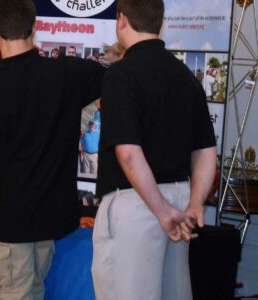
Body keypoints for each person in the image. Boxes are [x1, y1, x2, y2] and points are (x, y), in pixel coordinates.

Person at [0, 0, 104, 298]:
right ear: (35, 26)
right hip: (48, 224)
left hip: (9, 226)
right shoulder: (67, 74)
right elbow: (113, 79)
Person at [91, 0, 217, 299]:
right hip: (179, 201)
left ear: (122, 20)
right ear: (159, 22)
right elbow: (206, 151)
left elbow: (129, 153)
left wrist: (162, 212)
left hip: (137, 204)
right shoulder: (186, 76)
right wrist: (195, 205)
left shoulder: (121, 75)